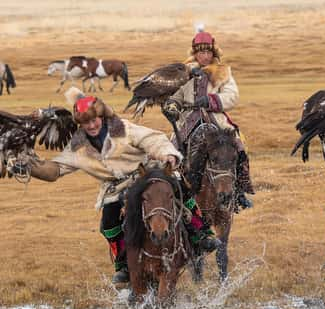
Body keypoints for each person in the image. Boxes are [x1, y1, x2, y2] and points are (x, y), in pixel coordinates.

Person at [15, 88, 219, 284]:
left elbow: (153, 139)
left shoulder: (124, 128)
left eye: (94, 120)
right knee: (109, 221)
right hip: (117, 190)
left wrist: (167, 154)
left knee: (178, 187)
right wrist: (29, 167)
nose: (91, 125)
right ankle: (122, 264)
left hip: (145, 174)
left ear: (101, 117)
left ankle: (201, 234)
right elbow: (55, 169)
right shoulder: (77, 147)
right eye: (86, 122)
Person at [163, 30, 255, 211]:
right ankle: (172, 190)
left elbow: (232, 96)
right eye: (201, 52)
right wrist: (172, 105)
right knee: (170, 151)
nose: (205, 56)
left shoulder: (223, 71)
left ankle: (239, 191)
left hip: (216, 118)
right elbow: (176, 95)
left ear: (213, 53)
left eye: (208, 52)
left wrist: (211, 100)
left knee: (238, 146)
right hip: (189, 119)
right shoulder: (184, 72)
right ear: (195, 53)